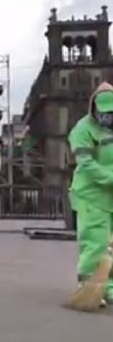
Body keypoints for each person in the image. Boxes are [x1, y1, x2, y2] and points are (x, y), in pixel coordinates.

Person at [67, 82, 113, 310]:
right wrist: (110, 177)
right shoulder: (82, 129)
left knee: (111, 246)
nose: (108, 117)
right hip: (91, 194)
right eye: (105, 113)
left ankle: (108, 286)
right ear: (94, 109)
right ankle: (88, 286)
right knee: (95, 241)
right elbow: (86, 164)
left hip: (111, 195)